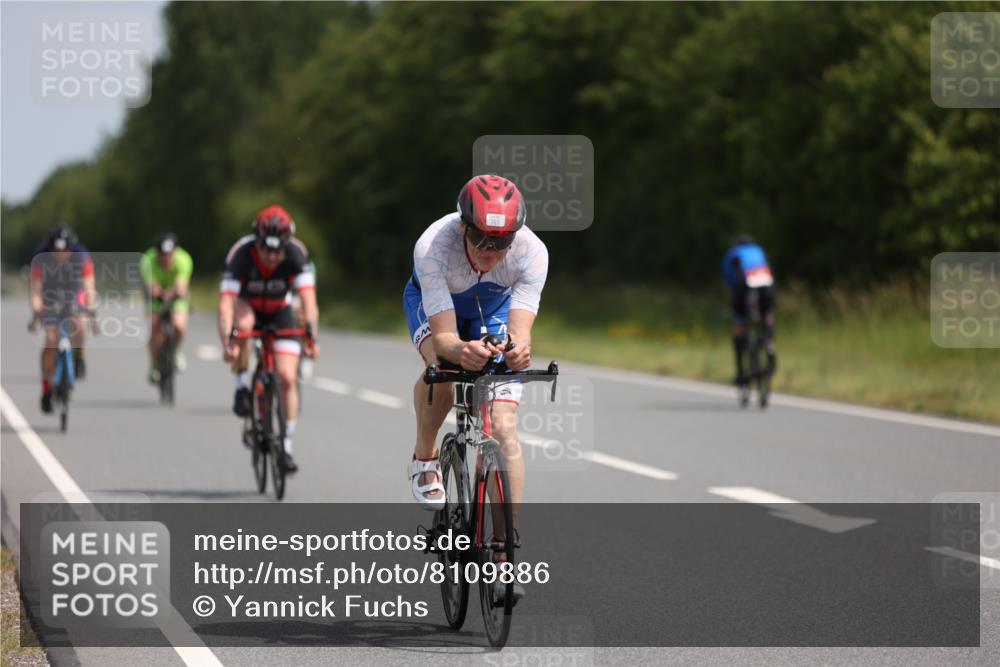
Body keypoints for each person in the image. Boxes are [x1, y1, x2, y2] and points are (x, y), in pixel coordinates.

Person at [404, 174, 548, 518]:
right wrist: (460, 351)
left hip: (493, 308)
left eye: (502, 241)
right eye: (480, 237)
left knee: (503, 427)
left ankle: (504, 544)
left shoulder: (532, 252)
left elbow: (519, 333)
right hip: (435, 305)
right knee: (443, 367)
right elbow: (445, 339)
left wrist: (518, 350)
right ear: (462, 227)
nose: (490, 250)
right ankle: (424, 458)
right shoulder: (433, 246)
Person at [217, 205, 319, 473]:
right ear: (257, 242)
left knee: (286, 377)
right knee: (244, 325)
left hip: (279, 311)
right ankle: (241, 384)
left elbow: (309, 302)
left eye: (278, 251)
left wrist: (311, 337)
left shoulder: (296, 254)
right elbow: (226, 304)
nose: (273, 257)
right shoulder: (240, 254)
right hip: (247, 306)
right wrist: (227, 342)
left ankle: (285, 446)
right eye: (266, 250)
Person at [29, 224, 97, 413]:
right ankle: (46, 387)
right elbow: (35, 292)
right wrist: (36, 315)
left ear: (71, 247)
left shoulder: (81, 256)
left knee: (80, 324)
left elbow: (89, 287)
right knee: (51, 340)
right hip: (49, 295)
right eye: (55, 251)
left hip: (73, 291)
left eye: (64, 250)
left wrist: (91, 312)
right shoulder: (40, 258)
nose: (60, 255)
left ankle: (79, 354)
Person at [722, 233, 776, 386]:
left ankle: (740, 371)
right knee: (767, 314)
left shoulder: (733, 254)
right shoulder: (759, 250)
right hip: (765, 283)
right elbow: (769, 269)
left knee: (739, 322)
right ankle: (770, 347)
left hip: (744, 286)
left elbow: (729, 278)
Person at [140, 232, 194, 383]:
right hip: (156, 297)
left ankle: (175, 353)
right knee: (154, 325)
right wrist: (160, 295)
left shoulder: (184, 260)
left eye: (170, 254)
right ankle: (154, 364)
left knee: (180, 325)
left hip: (175, 296)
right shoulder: (148, 260)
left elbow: (181, 286)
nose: (166, 258)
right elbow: (152, 287)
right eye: (163, 255)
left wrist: (176, 293)